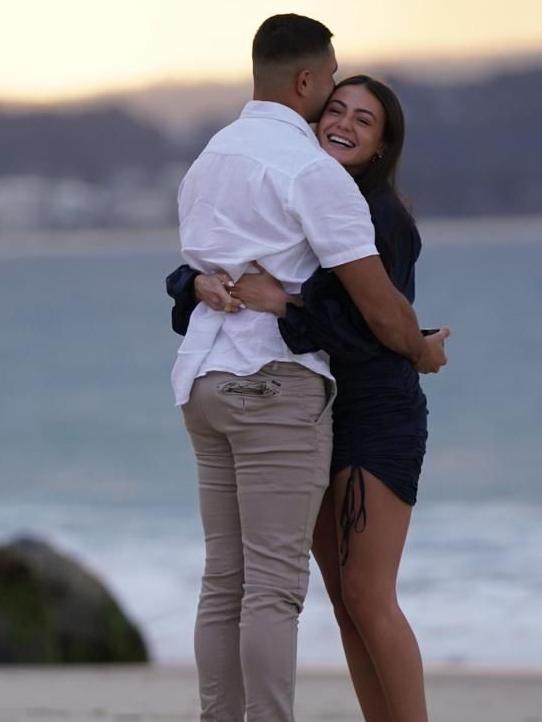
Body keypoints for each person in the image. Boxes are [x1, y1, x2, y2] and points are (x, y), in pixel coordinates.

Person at [169, 14, 448, 722]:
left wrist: (273, 297)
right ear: (306, 83)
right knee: (275, 588)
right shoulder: (308, 174)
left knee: (272, 586)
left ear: (384, 143)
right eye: (333, 98)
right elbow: (382, 316)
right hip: (284, 397)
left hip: (303, 401)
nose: (340, 117)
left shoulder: (214, 157)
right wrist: (422, 346)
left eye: (363, 118)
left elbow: (371, 316)